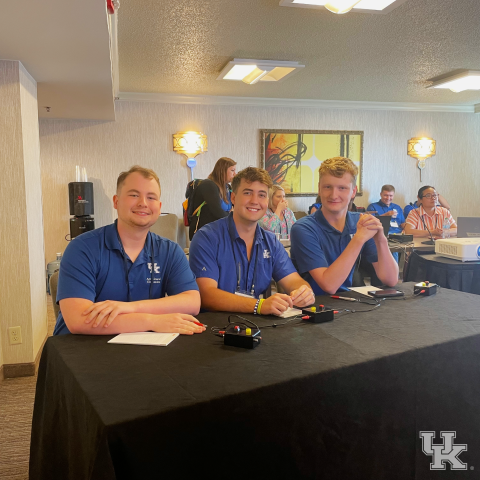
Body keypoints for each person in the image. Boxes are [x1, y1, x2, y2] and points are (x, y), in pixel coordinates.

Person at [53, 165, 203, 336]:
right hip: (80, 350)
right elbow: (79, 320)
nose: (143, 203)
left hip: (143, 349)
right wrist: (151, 321)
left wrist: (131, 307)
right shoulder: (82, 248)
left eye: (151, 197)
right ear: (116, 201)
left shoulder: (170, 251)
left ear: (159, 206)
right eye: (134, 195)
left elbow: (192, 302)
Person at [189, 167, 315, 316]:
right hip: (214, 328)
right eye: (248, 193)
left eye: (261, 195)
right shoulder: (207, 237)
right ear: (233, 198)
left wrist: (303, 292)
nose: (255, 201)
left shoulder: (270, 242)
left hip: (256, 326)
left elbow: (294, 281)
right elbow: (206, 295)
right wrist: (259, 306)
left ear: (267, 201)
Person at [290, 157, 398, 295]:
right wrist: (358, 239)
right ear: (319, 189)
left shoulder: (359, 222)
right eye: (328, 187)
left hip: (347, 302)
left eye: (342, 188)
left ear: (353, 191)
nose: (334, 195)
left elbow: (391, 280)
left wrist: (380, 239)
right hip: (315, 307)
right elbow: (329, 286)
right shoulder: (304, 228)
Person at [188, 157, 237, 240]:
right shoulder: (208, 185)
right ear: (223, 171)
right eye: (232, 170)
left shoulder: (227, 187)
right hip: (205, 233)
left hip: (220, 231)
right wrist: (236, 220)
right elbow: (217, 212)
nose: (235, 174)